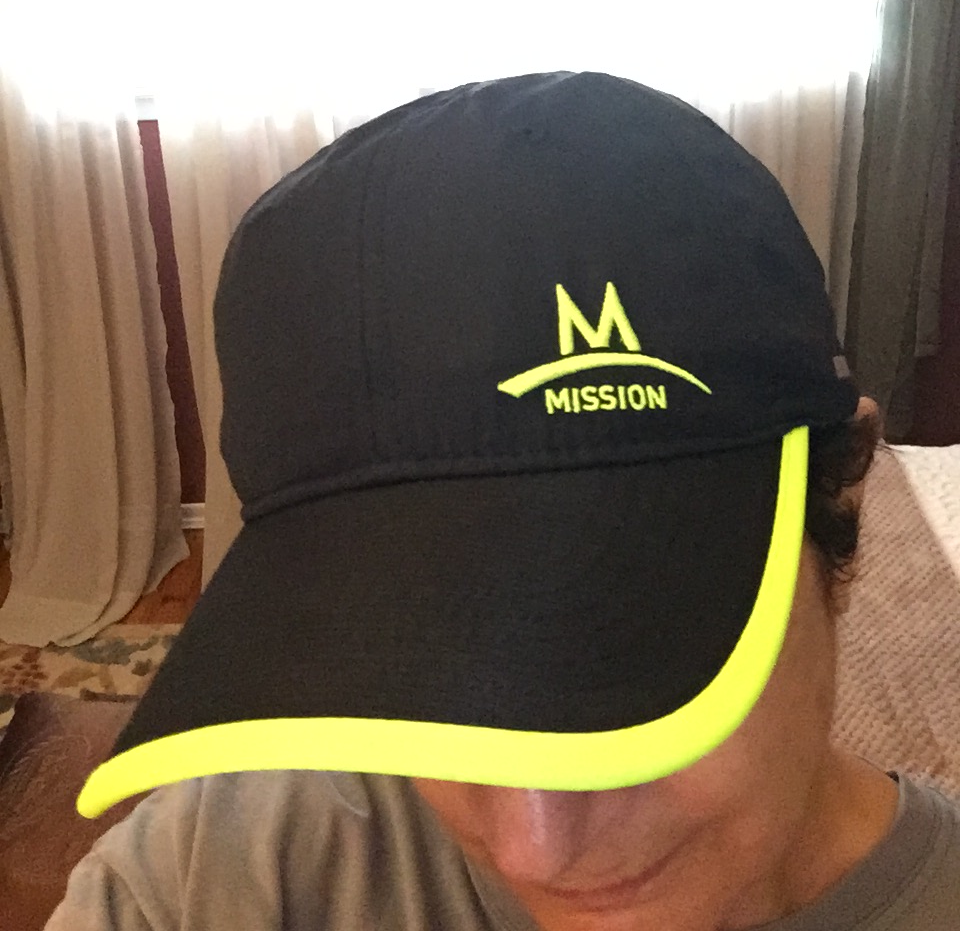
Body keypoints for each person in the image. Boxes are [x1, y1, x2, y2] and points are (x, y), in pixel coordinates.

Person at [48, 72, 959, 931]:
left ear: (842, 488)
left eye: (625, 665)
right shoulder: (220, 870)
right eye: (419, 674)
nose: (535, 848)